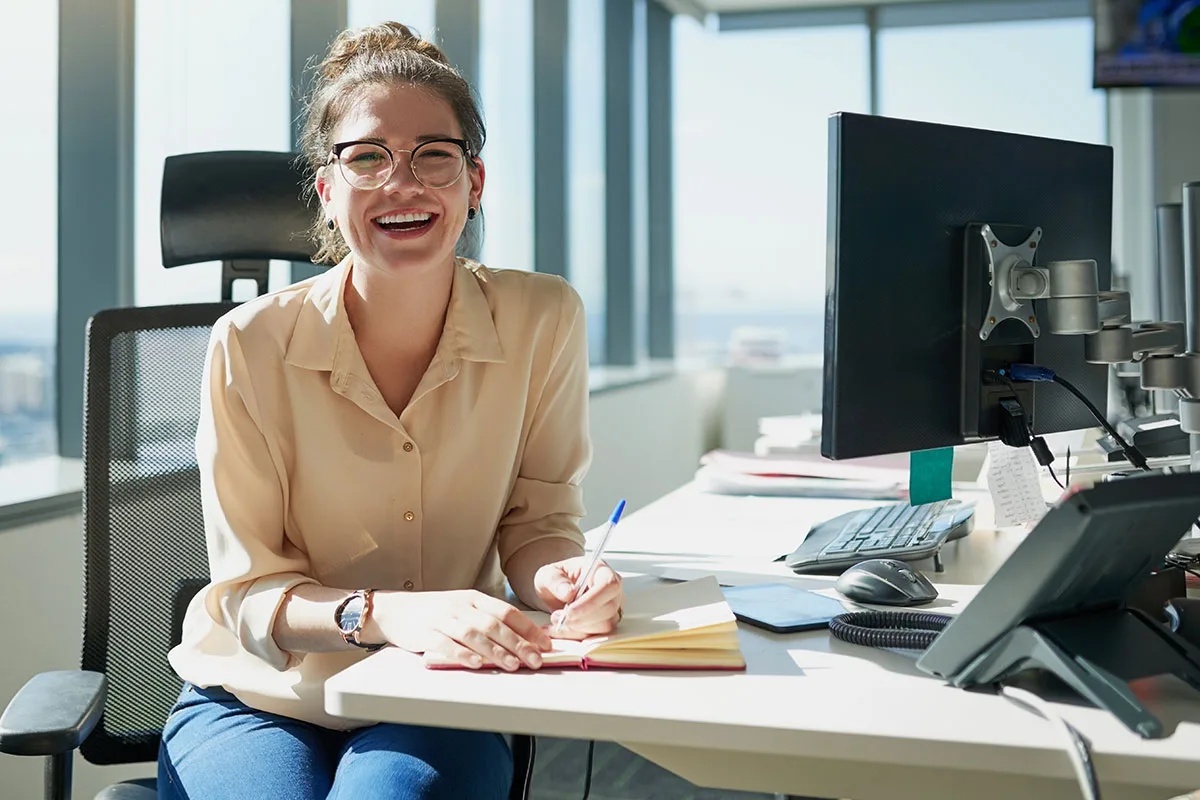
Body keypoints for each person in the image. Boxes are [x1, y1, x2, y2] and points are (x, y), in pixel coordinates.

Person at [157, 21, 624, 800]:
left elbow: (536, 518)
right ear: (328, 190)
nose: (401, 184)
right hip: (257, 694)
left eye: (433, 157)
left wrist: (561, 579)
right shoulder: (248, 343)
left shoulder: (543, 318)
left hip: (437, 685)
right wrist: (387, 614)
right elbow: (248, 594)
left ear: (475, 185)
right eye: (367, 157)